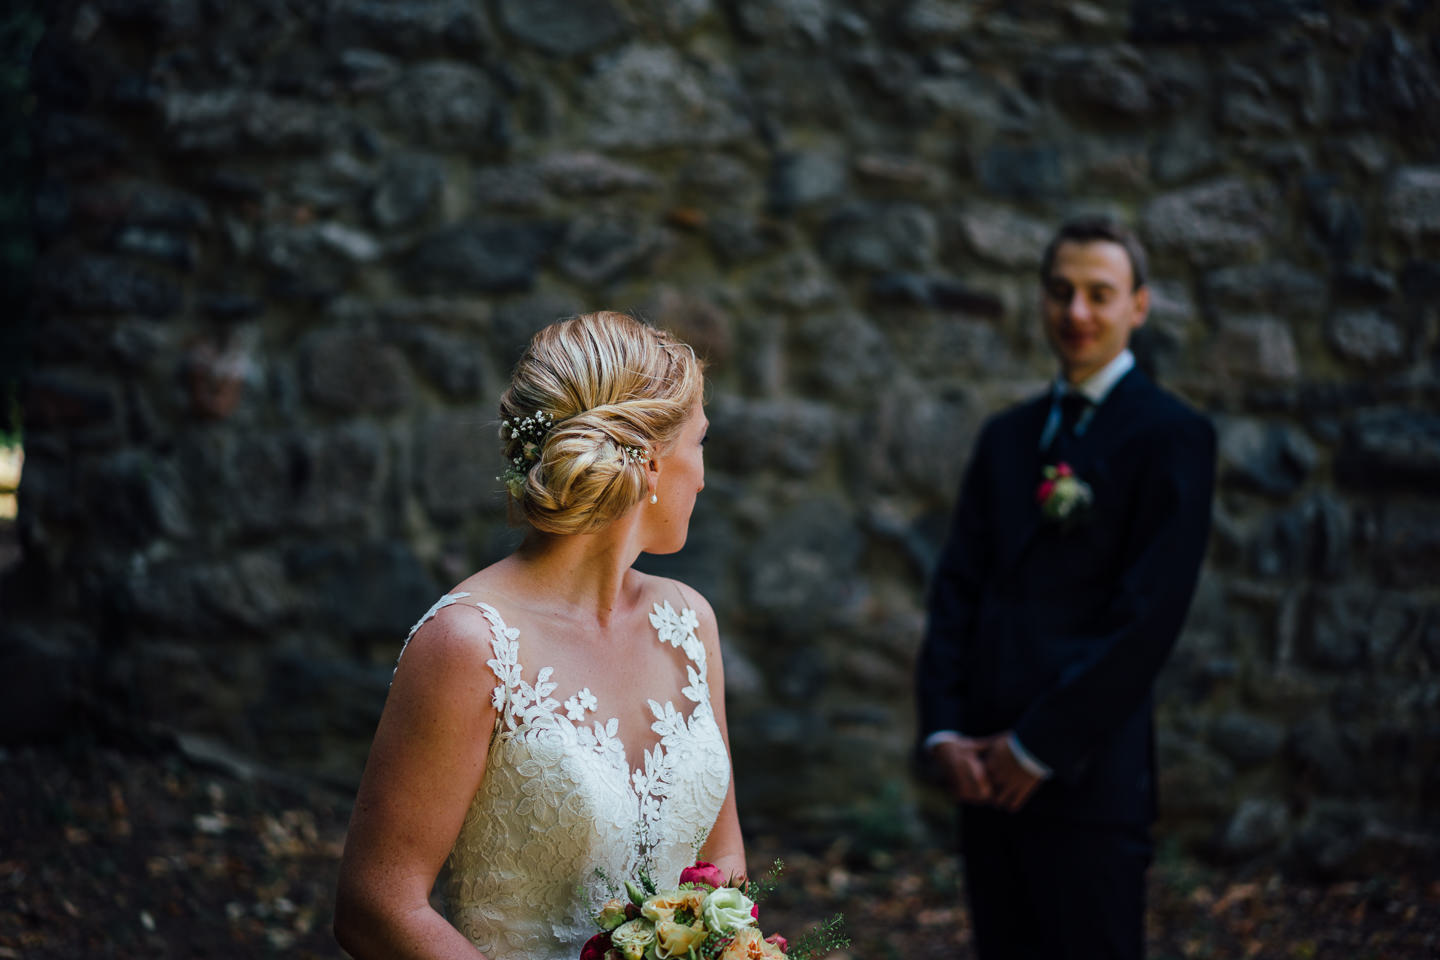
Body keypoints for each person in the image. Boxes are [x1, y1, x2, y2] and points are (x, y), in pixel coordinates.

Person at [334, 311, 746, 960]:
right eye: (700, 444)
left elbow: (722, 861)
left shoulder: (689, 623)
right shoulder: (469, 644)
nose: (704, 473)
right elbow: (376, 907)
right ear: (655, 466)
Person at [915, 218, 1216, 960]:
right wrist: (945, 729)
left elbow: (1148, 620)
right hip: (984, 774)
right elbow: (958, 588)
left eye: (1099, 294)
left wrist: (1038, 744)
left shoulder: (1173, 436)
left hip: (1087, 775)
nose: (1076, 312)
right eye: (1060, 292)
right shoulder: (1006, 437)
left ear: (1138, 306)